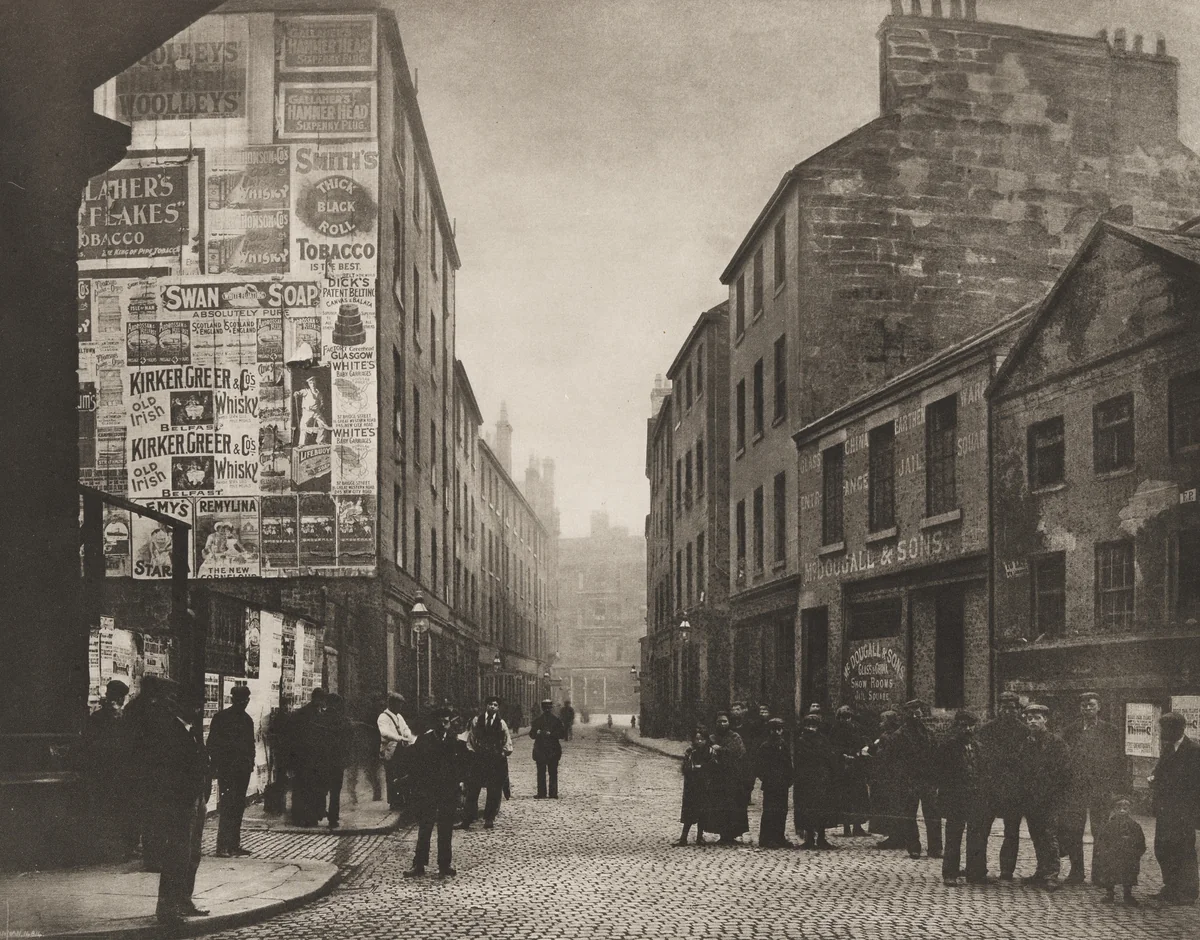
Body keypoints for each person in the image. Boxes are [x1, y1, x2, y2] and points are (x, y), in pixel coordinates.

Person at [145, 680, 211, 925]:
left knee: (193, 853)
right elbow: (169, 770)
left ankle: (184, 899)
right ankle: (167, 907)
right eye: (194, 705)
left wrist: (203, 793)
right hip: (180, 802)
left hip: (196, 799)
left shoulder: (191, 731)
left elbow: (202, 762)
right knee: (177, 854)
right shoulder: (171, 732)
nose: (198, 709)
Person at [1059, 692, 1126, 884]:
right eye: (1084, 706)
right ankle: (1076, 872)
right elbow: (1065, 759)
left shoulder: (1110, 731)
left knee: (1101, 831)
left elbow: (1118, 760)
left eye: (1091, 705)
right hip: (1076, 788)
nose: (1088, 709)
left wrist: (1116, 788)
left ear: (1099, 707)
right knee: (1074, 830)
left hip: (1101, 788)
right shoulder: (1070, 731)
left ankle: (1100, 873)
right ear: (1080, 709)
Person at [965, 690, 1028, 884]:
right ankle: (976, 869)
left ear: (1018, 710)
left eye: (1012, 708)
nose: (1008, 711)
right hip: (989, 788)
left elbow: (1025, 760)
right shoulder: (986, 730)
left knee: (1012, 832)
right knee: (980, 829)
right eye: (1004, 708)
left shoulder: (1025, 731)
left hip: (1013, 789)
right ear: (998, 709)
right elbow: (980, 757)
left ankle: (1006, 872)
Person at [404, 707, 470, 879]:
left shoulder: (454, 741)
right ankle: (419, 864)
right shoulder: (424, 741)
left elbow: (461, 765)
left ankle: (444, 864)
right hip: (428, 790)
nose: (443, 724)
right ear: (435, 723)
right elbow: (415, 766)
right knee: (425, 827)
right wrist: (417, 787)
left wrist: (461, 783)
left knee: (446, 827)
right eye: (440, 721)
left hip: (448, 790)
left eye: (446, 721)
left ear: (450, 723)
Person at [1149, 711, 1200, 905]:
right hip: (1165, 810)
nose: (1161, 732)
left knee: (1184, 851)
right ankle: (1170, 887)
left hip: (1183, 813)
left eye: (1164, 729)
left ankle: (1187, 892)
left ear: (1176, 729)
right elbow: (1160, 771)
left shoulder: (1194, 750)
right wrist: (1153, 778)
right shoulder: (1168, 748)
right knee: (1163, 848)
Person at [1021, 703, 1071, 890]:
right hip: (1032, 799)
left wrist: (1052, 793)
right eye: (1029, 718)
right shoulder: (1027, 743)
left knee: (1049, 836)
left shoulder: (1056, 743)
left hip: (1050, 799)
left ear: (1045, 720)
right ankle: (1041, 872)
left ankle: (1051, 875)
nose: (1032, 721)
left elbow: (1064, 772)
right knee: (1037, 836)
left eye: (1037, 718)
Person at [84, 679, 136, 858]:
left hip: (109, 772)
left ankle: (114, 847)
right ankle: (122, 847)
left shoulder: (101, 717)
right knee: (119, 809)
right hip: (112, 771)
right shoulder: (118, 718)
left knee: (111, 809)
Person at [206, 684, 255, 857]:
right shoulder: (221, 718)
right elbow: (212, 744)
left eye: (245, 700)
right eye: (240, 700)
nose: (243, 703)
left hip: (242, 770)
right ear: (233, 700)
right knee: (227, 807)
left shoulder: (247, 720)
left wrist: (250, 763)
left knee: (238, 807)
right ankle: (223, 846)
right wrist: (219, 765)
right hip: (228, 770)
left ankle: (234, 844)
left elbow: (251, 745)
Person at [936, 709, 981, 887]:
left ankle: (974, 871)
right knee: (954, 835)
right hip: (955, 798)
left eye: (971, 726)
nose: (968, 729)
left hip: (974, 796)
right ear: (957, 726)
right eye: (964, 726)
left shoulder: (977, 746)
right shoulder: (948, 746)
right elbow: (940, 773)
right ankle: (950, 872)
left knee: (975, 835)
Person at [893, 699, 942, 860]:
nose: (917, 715)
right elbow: (894, 759)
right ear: (908, 714)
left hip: (927, 779)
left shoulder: (928, 732)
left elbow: (935, 755)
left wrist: (935, 778)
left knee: (933, 814)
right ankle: (913, 847)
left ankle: (935, 848)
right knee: (909, 814)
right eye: (914, 712)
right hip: (909, 780)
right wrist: (902, 778)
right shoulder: (900, 734)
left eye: (919, 712)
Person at [462, 696, 513, 830]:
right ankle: (467, 819)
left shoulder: (501, 723)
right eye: (490, 704)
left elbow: (507, 741)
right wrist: (472, 752)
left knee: (493, 790)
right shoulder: (476, 720)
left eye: (495, 705)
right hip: (479, 759)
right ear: (486, 706)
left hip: (494, 760)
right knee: (473, 789)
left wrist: (503, 752)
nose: (492, 707)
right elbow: (471, 738)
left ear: (498, 708)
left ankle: (489, 819)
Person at [793, 713, 839, 849]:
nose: (811, 729)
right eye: (809, 726)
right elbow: (800, 760)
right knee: (807, 809)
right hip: (806, 780)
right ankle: (809, 837)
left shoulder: (823, 740)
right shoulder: (801, 740)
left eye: (814, 726)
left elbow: (830, 757)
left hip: (822, 779)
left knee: (822, 809)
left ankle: (821, 837)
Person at [1092, 796, 1146, 905]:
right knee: (1109, 873)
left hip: (1128, 856)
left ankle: (1128, 894)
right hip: (1112, 855)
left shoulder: (1135, 826)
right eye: (1119, 808)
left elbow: (1140, 842)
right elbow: (1102, 841)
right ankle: (1109, 893)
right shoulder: (1108, 826)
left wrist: (1136, 854)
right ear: (1114, 810)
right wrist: (1104, 853)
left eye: (1125, 808)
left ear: (1130, 810)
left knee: (1129, 874)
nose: (1122, 811)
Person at [708, 710, 749, 844]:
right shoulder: (712, 737)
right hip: (718, 777)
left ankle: (732, 834)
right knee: (719, 805)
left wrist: (720, 750)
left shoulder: (735, 737)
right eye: (719, 721)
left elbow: (739, 752)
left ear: (729, 722)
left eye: (724, 721)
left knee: (734, 804)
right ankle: (722, 834)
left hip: (733, 776)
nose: (722, 723)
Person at [288, 688, 327, 826]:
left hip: (310, 758)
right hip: (306, 757)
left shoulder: (309, 712)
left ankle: (308, 816)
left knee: (307, 788)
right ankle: (305, 817)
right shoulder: (309, 714)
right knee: (307, 788)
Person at [830, 705, 869, 838]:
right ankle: (846, 826)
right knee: (844, 797)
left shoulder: (856, 728)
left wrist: (860, 752)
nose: (846, 720)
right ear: (839, 717)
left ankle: (857, 826)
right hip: (842, 768)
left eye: (848, 717)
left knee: (858, 796)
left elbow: (862, 741)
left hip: (857, 766)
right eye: (843, 717)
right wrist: (842, 755)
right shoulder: (835, 729)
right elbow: (833, 746)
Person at [756, 717, 794, 849]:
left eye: (779, 729)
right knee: (769, 811)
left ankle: (779, 836)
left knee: (782, 811)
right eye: (774, 730)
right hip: (771, 784)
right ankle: (767, 838)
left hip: (782, 784)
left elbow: (788, 763)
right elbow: (759, 766)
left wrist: (789, 778)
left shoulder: (783, 744)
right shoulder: (765, 746)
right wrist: (766, 778)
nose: (776, 732)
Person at [868, 709, 902, 847]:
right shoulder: (895, 735)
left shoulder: (888, 737)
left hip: (887, 777)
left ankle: (894, 837)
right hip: (892, 776)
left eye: (883, 720)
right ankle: (896, 836)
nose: (880, 723)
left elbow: (883, 756)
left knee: (890, 806)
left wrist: (872, 750)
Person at [675, 729, 713, 846]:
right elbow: (685, 767)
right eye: (697, 739)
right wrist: (694, 768)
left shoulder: (710, 752)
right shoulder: (690, 752)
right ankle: (683, 837)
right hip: (691, 786)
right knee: (689, 813)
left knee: (702, 812)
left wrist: (701, 767)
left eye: (702, 739)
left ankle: (699, 837)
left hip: (705, 785)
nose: (700, 741)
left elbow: (713, 766)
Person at [377, 693, 415, 809]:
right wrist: (400, 738)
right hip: (390, 749)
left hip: (400, 749)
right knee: (391, 775)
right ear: (392, 704)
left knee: (400, 774)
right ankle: (393, 801)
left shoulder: (399, 716)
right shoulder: (383, 717)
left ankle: (400, 799)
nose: (400, 707)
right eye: (399, 704)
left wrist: (407, 735)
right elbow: (384, 732)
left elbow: (406, 728)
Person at [319, 693, 351, 829]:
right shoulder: (343, 720)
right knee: (335, 790)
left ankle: (319, 812)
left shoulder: (321, 718)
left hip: (323, 758)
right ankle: (333, 817)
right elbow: (349, 741)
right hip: (337, 760)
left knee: (321, 787)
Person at [530, 699, 567, 798]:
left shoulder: (555, 721)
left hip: (550, 750)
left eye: (548, 707)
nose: (547, 709)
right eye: (545, 707)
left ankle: (550, 793)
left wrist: (551, 734)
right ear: (543, 708)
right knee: (545, 772)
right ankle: (546, 793)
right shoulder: (539, 721)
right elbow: (532, 734)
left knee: (549, 772)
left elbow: (562, 734)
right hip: (545, 750)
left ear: (551, 708)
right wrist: (537, 733)